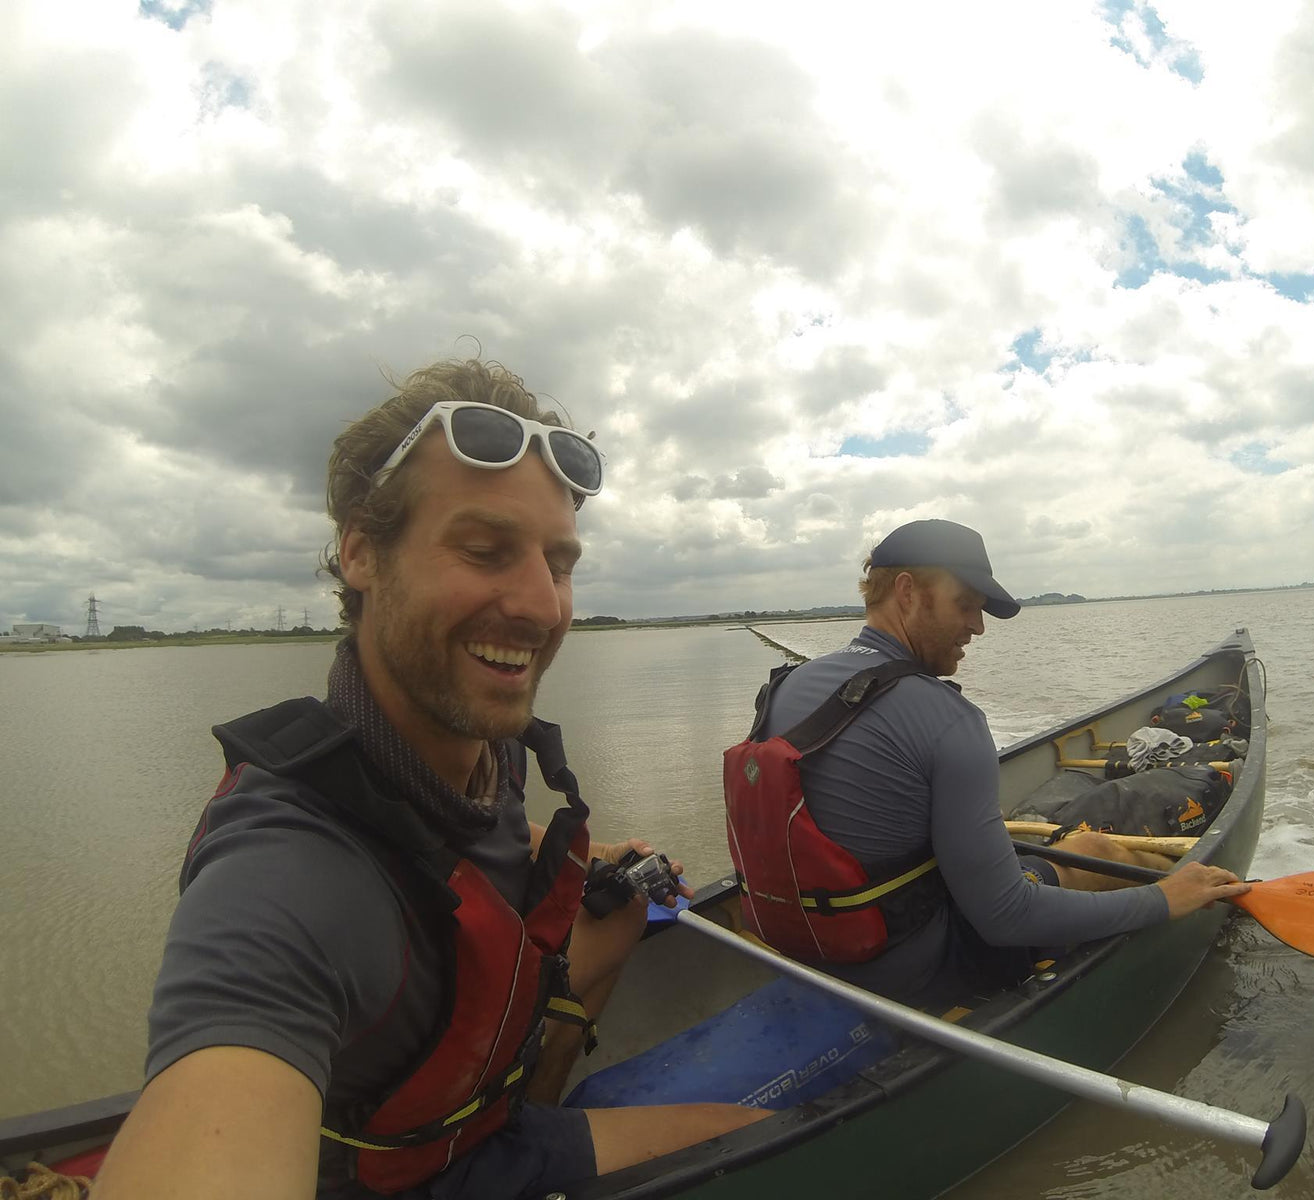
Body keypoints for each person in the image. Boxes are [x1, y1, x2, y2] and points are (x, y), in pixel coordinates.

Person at [95, 358, 765, 1200]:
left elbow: (454, 839)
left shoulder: (485, 745)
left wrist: (587, 859)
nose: (543, 605)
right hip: (411, 1178)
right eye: (486, 550)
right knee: (758, 1136)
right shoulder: (281, 877)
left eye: (559, 563)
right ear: (362, 554)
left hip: (480, 1124)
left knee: (620, 911)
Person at [724, 519, 1249, 1007]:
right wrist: (1163, 901)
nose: (977, 627)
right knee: (1090, 848)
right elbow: (1006, 916)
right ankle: (1186, 889)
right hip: (905, 972)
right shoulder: (948, 719)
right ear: (907, 592)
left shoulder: (784, 687)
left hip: (799, 945)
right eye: (966, 604)